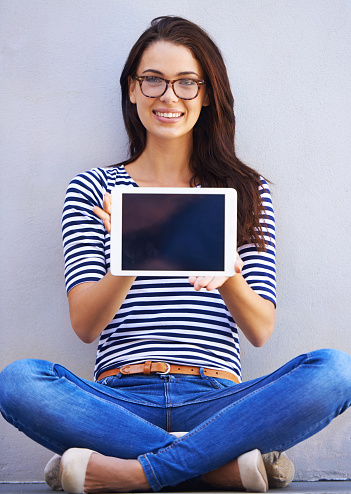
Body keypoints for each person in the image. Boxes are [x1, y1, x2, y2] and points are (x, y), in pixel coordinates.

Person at [1, 15, 351, 494]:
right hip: (119, 400)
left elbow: (261, 329)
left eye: (187, 83)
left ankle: (133, 472)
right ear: (131, 89)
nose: (169, 97)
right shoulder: (94, 188)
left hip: (217, 399)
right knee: (19, 382)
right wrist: (130, 251)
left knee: (335, 372)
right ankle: (214, 466)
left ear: (206, 94)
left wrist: (229, 278)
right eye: (153, 80)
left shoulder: (245, 191)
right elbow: (85, 326)